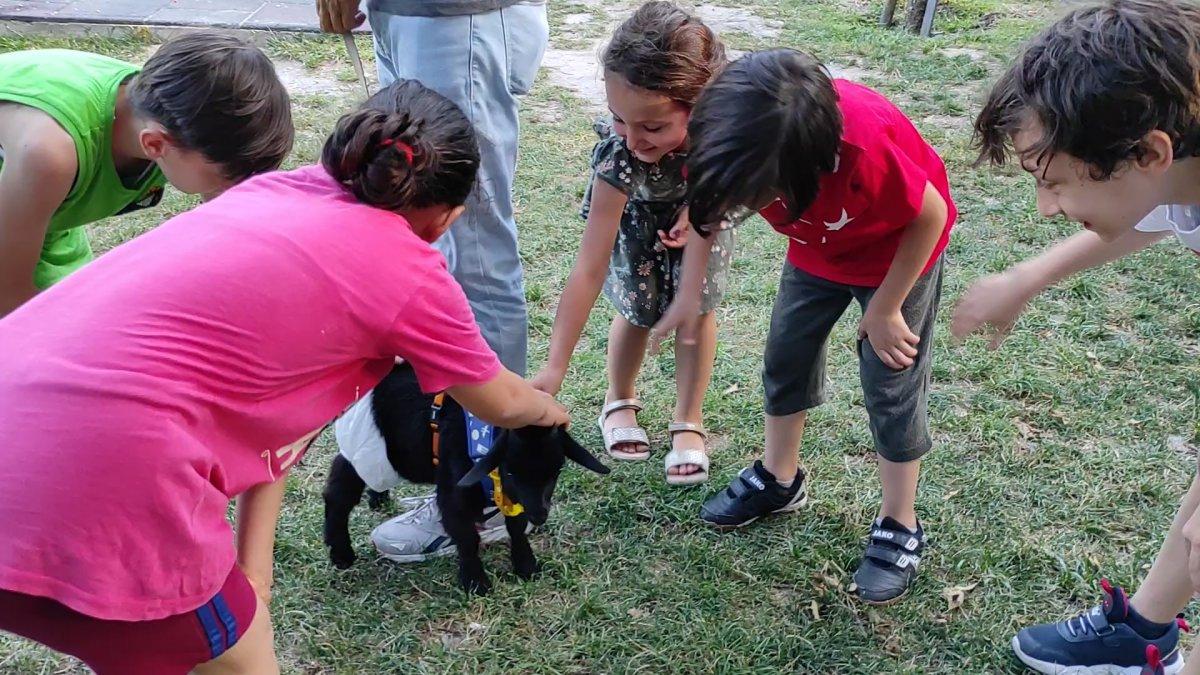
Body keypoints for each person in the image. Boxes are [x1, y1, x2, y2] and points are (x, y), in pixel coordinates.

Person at [0, 80, 569, 675]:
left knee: (207, 641)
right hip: (95, 488)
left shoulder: (271, 192)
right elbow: (501, 403)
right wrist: (548, 411)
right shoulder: (409, 274)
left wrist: (255, 578)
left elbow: (279, 438)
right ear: (448, 217)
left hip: (24, 423)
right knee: (241, 664)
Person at [653, 48, 956, 604]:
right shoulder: (725, 134)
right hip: (816, 253)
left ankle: (900, 521)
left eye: (761, 194)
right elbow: (706, 210)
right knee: (785, 357)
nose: (749, 204)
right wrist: (687, 299)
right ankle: (779, 477)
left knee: (890, 384)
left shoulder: (860, 147)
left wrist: (886, 307)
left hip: (895, 257)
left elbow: (930, 214)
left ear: (812, 165)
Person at [954, 1, 1200, 672]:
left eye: (1053, 179)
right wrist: (1028, 277)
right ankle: (1142, 632)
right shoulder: (1176, 169)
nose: (1044, 206)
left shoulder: (1167, 163)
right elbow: (1158, 215)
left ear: (1148, 151)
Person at [317, 0, 549, 559]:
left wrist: (528, 412)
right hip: (405, 11)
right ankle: (442, 440)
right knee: (423, 227)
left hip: (456, 14)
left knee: (474, 249)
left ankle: (487, 485)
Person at [526, 1, 732, 486]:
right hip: (638, 231)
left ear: (697, 106)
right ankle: (618, 399)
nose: (634, 138)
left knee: (697, 314)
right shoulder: (620, 158)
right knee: (636, 312)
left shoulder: (723, 136)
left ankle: (689, 419)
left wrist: (700, 211)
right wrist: (555, 366)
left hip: (706, 230)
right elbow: (589, 268)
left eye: (654, 126)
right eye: (620, 118)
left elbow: (746, 183)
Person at [0, 32, 294, 317]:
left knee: (84, 310)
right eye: (230, 178)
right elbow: (8, 299)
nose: (241, 193)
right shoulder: (49, 154)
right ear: (154, 145)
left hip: (39, 209)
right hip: (26, 190)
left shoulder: (171, 109)